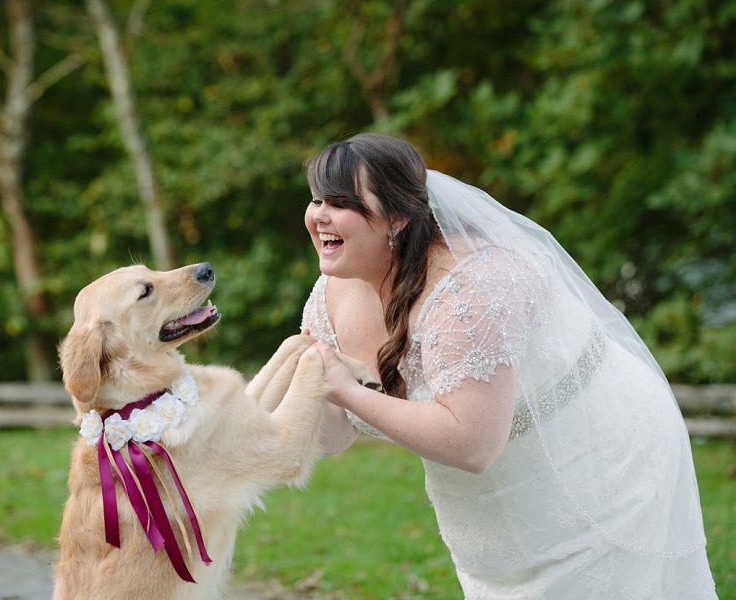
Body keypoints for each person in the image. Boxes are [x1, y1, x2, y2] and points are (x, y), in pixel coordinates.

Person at [299, 132, 717, 599]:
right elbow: (334, 437)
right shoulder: (332, 293)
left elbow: (472, 444)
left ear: (397, 216)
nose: (319, 216)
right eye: (316, 199)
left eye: (340, 202)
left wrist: (350, 391)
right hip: (489, 508)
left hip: (594, 465)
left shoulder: (471, 288)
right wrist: (307, 391)